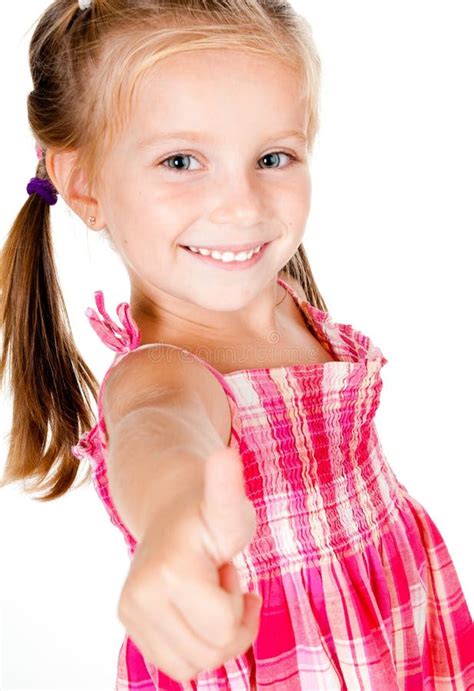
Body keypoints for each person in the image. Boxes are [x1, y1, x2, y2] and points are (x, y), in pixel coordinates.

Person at [1, 0, 473, 688]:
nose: (243, 203)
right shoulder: (163, 372)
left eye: (272, 157)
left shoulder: (288, 308)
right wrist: (171, 525)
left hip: (400, 629)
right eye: (182, 160)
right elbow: (158, 435)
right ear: (83, 183)